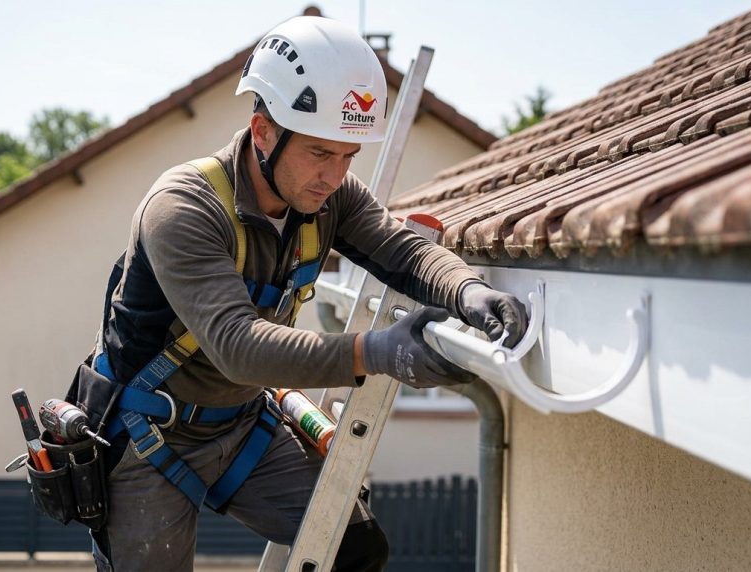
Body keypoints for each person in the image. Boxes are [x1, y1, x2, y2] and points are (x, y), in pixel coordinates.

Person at [90, 15, 529, 572]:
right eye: (321, 153)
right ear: (263, 132)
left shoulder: (330, 197)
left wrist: (468, 290)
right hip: (151, 433)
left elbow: (404, 252)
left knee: (354, 548)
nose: (335, 175)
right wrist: (378, 352)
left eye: (349, 156)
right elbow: (238, 346)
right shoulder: (183, 207)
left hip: (240, 424)